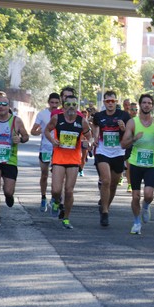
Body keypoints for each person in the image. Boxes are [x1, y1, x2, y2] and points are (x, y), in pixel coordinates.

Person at [0, 91, 30, 226]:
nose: (1, 107)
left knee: (8, 190)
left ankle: (9, 195)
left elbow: (26, 137)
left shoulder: (16, 121)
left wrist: (20, 139)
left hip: (10, 159)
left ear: (8, 106)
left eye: (4, 104)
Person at [44, 95, 92, 229]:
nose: (71, 108)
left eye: (74, 105)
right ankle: (55, 201)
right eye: (68, 105)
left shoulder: (82, 121)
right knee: (56, 189)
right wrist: (52, 140)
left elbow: (90, 137)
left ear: (77, 107)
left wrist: (87, 143)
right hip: (59, 158)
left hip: (73, 159)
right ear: (63, 106)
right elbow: (47, 130)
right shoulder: (56, 118)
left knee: (69, 191)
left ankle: (66, 218)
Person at [121, 94, 154, 235]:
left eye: (149, 103)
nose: (146, 105)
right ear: (140, 105)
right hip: (135, 163)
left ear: (152, 106)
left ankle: (146, 206)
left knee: (148, 195)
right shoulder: (133, 122)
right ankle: (136, 222)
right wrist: (134, 138)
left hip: (150, 164)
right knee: (135, 196)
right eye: (144, 103)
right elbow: (123, 144)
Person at [91, 90, 131, 227]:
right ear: (104, 102)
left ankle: (105, 203)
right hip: (103, 152)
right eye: (107, 101)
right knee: (106, 180)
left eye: (112, 101)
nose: (110, 104)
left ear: (116, 102)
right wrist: (95, 137)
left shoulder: (124, 115)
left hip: (118, 153)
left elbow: (130, 132)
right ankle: (105, 212)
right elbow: (95, 125)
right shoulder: (99, 116)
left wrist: (123, 128)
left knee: (113, 184)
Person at [30, 92, 60, 212]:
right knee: (44, 174)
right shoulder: (42, 114)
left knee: (57, 176)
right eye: (52, 102)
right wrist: (41, 131)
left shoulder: (61, 115)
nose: (54, 105)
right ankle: (43, 197)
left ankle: (55, 199)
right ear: (48, 102)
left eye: (56, 103)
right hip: (45, 148)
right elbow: (33, 131)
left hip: (58, 149)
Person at [124, 102, 139, 192]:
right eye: (132, 109)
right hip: (129, 145)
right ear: (129, 110)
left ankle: (135, 183)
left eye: (136, 109)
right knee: (129, 166)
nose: (134, 111)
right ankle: (130, 184)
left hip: (138, 146)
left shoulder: (141, 120)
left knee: (136, 167)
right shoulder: (126, 119)